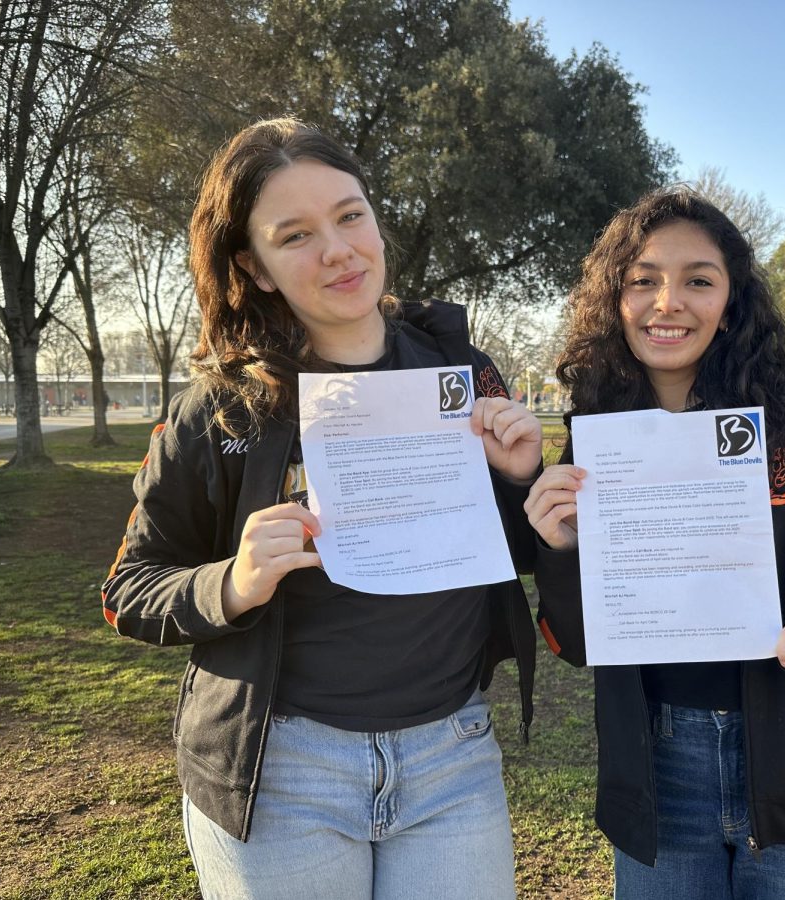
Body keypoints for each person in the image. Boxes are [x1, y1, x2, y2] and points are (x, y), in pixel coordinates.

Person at [102, 117, 541, 900]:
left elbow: (508, 551)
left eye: (350, 216)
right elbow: (128, 589)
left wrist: (518, 479)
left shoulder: (463, 372)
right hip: (281, 775)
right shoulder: (220, 409)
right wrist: (231, 583)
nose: (337, 250)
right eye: (295, 235)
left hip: (453, 758)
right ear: (256, 266)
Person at [523, 188, 785, 899]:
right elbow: (578, 641)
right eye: (643, 279)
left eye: (698, 280)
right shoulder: (597, 440)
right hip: (661, 767)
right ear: (614, 299)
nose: (667, 302)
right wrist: (560, 549)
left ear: (732, 299)